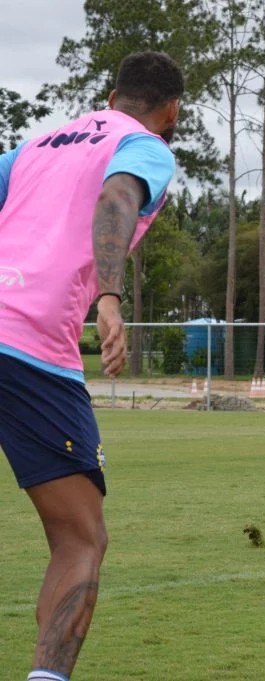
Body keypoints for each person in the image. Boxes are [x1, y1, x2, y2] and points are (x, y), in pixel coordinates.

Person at [0, 52, 183, 680]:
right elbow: (115, 196)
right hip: (28, 350)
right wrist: (109, 296)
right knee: (81, 538)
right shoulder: (147, 146)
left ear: (109, 94)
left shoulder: (34, 146)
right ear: (172, 111)